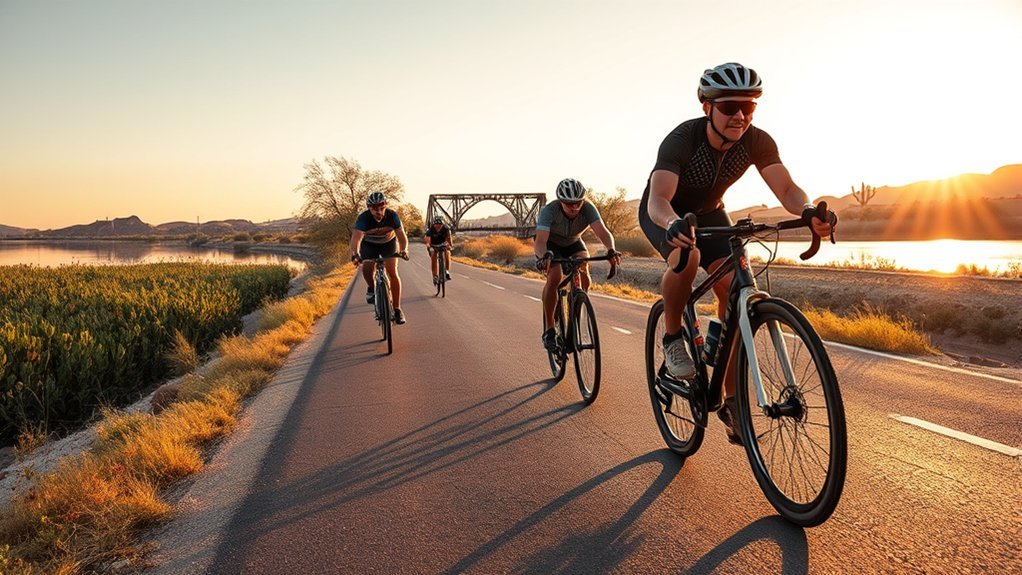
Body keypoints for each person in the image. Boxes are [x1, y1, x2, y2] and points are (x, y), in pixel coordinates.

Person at [638, 62, 837, 444]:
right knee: (690, 256)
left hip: (712, 212)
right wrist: (672, 224)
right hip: (668, 215)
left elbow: (787, 189)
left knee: (735, 292)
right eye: (730, 107)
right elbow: (659, 199)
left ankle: (731, 402)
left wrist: (809, 211)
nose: (740, 116)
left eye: (749, 107)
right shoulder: (681, 140)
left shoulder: (757, 140)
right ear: (706, 107)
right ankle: (673, 336)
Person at [535, 178, 622, 352]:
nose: (574, 207)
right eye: (569, 204)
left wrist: (611, 250)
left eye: (578, 203)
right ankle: (550, 330)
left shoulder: (588, 208)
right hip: (551, 245)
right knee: (555, 277)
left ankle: (576, 307)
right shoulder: (549, 211)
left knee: (584, 272)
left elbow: (603, 233)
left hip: (574, 242)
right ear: (560, 201)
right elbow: (540, 241)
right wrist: (543, 257)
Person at [350, 191, 410, 325]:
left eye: (381, 207)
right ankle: (372, 288)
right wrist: (355, 253)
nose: (379, 211)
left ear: (386, 205)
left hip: (388, 243)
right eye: (374, 208)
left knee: (392, 272)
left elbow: (401, 236)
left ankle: (397, 310)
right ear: (368, 208)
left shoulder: (392, 216)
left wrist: (404, 250)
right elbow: (356, 238)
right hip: (369, 244)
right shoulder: (363, 218)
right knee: (367, 267)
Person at [424, 215, 454, 284]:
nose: (438, 226)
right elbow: (427, 240)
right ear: (434, 225)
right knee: (433, 256)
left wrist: (450, 245)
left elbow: (449, 238)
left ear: (442, 225)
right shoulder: (430, 230)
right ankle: (435, 276)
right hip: (433, 245)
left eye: (440, 225)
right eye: (436, 224)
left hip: (442, 243)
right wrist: (428, 245)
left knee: (447, 253)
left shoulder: (446, 229)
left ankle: (446, 271)